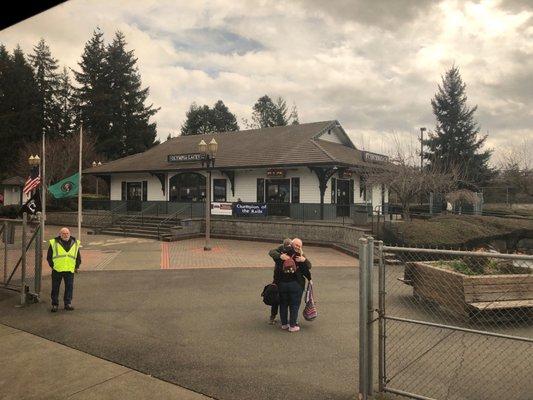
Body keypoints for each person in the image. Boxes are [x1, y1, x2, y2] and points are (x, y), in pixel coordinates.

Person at [270, 237, 312, 332]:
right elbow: (308, 267)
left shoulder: (281, 253)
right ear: (292, 244)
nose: (298, 247)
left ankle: (284, 324)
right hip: (295, 284)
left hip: (281, 283)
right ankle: (292, 325)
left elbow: (272, 253)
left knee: (283, 304)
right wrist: (304, 261)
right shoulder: (298, 255)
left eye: (300, 246)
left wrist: (280, 257)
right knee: (294, 305)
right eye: (297, 245)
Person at [46, 227, 81, 312]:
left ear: (69, 234)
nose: (65, 235)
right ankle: (55, 304)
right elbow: (49, 257)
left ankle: (67, 304)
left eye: (67, 233)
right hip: (57, 270)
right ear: (60, 234)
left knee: (69, 287)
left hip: (69, 270)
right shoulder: (54, 243)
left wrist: (76, 266)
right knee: (55, 288)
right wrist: (53, 266)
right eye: (63, 233)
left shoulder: (75, 243)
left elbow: (78, 257)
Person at [267, 238, 292, 324]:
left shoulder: (293, 252)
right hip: (278, 279)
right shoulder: (280, 251)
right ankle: (272, 317)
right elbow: (271, 252)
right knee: (276, 299)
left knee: (287, 300)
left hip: (288, 280)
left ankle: (287, 319)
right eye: (287, 247)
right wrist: (280, 256)